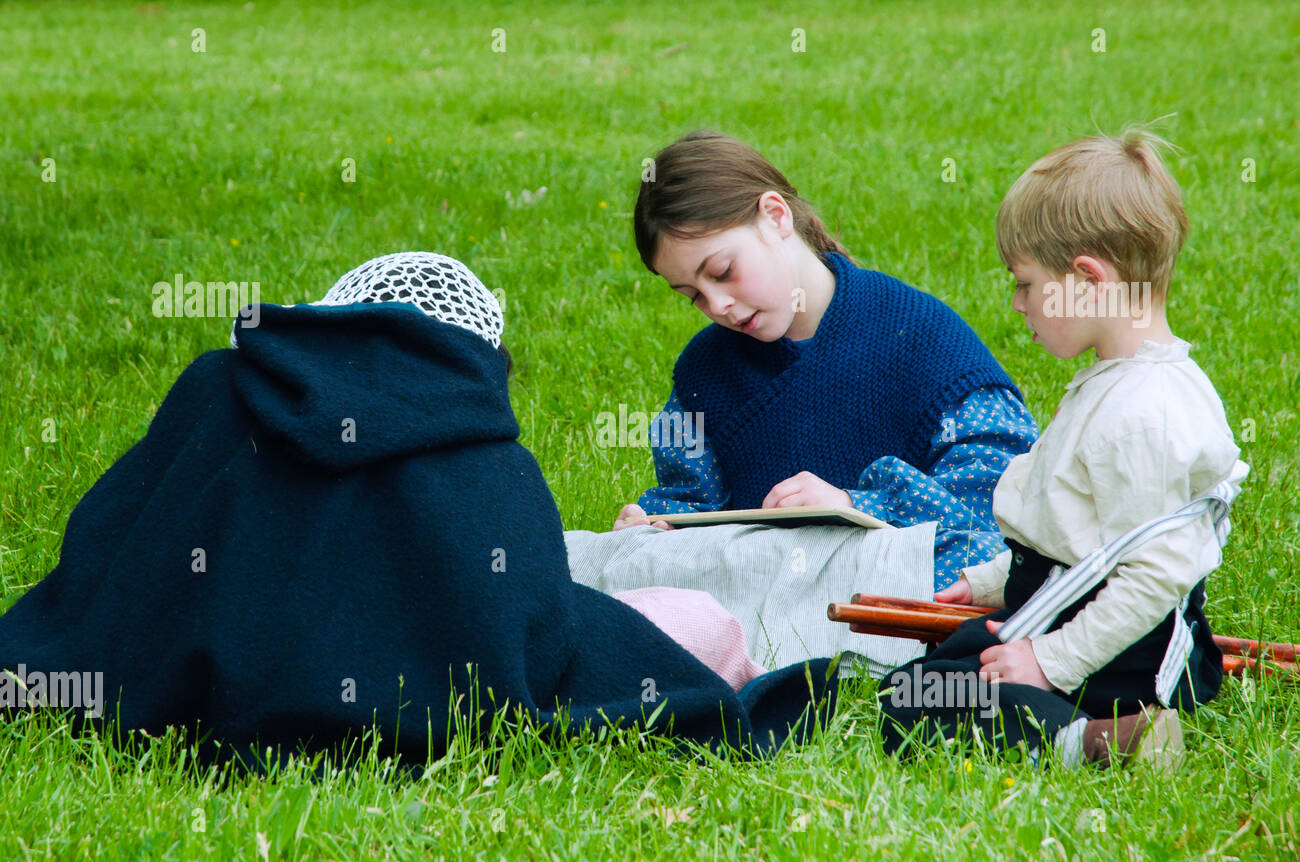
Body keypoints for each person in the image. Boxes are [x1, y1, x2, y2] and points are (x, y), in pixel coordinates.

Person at [0, 252, 837, 767]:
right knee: (697, 621)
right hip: (417, 706)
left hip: (199, 696)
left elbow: (116, 552)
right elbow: (533, 637)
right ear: (477, 352)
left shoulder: (219, 390)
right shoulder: (484, 455)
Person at [877, 128, 1249, 768]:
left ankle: (1099, 739)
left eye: (1024, 283)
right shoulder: (1127, 381)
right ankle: (1081, 720)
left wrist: (1049, 662)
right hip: (1067, 615)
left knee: (917, 701)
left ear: (1085, 279)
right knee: (947, 662)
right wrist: (992, 583)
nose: (1018, 305)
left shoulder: (1141, 415)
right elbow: (1085, 537)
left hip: (1112, 656)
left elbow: (1153, 574)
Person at [613, 129, 1039, 594]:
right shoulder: (704, 372)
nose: (717, 305)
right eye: (692, 295)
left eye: (722, 272)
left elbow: (1000, 502)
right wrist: (655, 525)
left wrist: (853, 505)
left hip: (888, 584)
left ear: (775, 216)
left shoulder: (920, 334)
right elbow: (690, 497)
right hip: (762, 585)